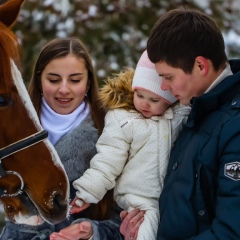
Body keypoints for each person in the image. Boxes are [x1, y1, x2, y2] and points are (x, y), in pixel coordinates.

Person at [120, 7, 240, 240]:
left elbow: (231, 232)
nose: (163, 87)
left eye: (168, 77)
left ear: (200, 66)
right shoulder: (192, 112)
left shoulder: (234, 126)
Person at [51, 50, 190, 240]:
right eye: (140, 95)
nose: (145, 104)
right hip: (139, 199)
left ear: (169, 101)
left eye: (154, 100)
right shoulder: (124, 120)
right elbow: (108, 160)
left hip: (170, 198)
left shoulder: (176, 118)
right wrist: (86, 193)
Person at [0, 37, 122, 240]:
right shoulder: (9, 128)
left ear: (89, 82)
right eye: (54, 80)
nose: (64, 89)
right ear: (39, 80)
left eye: (75, 80)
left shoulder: (114, 131)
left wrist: (92, 232)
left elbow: (128, 220)